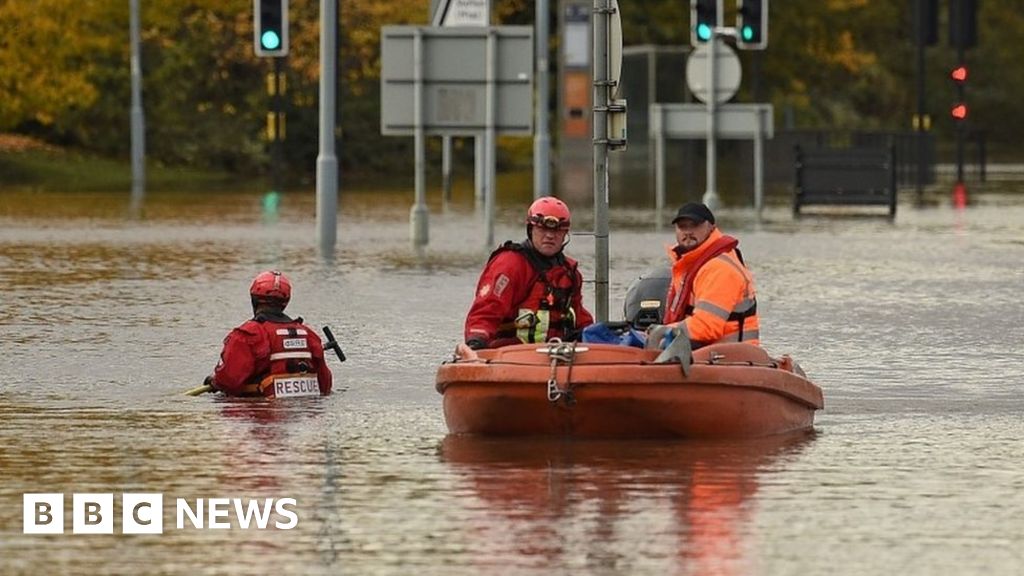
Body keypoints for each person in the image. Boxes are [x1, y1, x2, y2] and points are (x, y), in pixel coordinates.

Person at [462, 197, 594, 351]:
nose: (550, 236)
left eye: (557, 230)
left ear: (565, 234)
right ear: (531, 229)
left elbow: (580, 317)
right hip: (511, 355)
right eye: (543, 229)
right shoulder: (510, 264)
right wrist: (476, 340)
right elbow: (487, 309)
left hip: (557, 354)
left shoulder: (569, 273)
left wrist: (597, 335)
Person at [647, 202, 760, 351]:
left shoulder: (719, 268)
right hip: (706, 353)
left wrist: (662, 331)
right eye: (682, 226)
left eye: (694, 225)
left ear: (711, 228)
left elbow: (707, 327)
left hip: (732, 357)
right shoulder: (689, 265)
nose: (688, 232)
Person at [205, 271, 333, 397]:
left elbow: (229, 381)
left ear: (254, 300)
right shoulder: (308, 334)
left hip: (263, 413)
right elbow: (325, 385)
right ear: (285, 302)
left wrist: (215, 382)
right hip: (305, 412)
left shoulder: (247, 334)